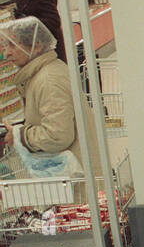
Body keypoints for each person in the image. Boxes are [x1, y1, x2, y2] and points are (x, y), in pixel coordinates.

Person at [0, 17, 98, 175]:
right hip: (73, 175)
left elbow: (57, 135)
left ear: (37, 46)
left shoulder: (48, 81)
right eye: (6, 45)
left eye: (13, 45)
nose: (7, 53)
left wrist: (20, 135)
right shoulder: (42, 73)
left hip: (79, 180)